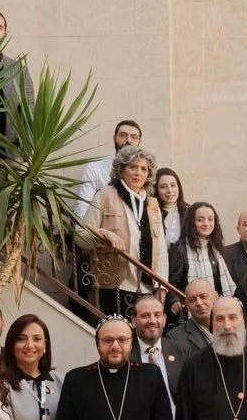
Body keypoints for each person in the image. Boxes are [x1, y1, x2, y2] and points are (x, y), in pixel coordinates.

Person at [82, 144, 171, 318]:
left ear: (148, 175)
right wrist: (105, 234)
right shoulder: (105, 195)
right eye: (133, 167)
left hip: (146, 287)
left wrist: (162, 287)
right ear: (121, 170)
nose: (138, 173)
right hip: (114, 283)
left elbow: (160, 250)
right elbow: (81, 234)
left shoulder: (152, 204)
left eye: (143, 169)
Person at [72, 119, 144, 225]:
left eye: (134, 137)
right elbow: (83, 206)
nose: (128, 140)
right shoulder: (95, 168)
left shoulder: (144, 171)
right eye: (123, 135)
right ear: (114, 138)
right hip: (103, 233)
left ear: (139, 142)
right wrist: (87, 234)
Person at [130, 293, 183, 414]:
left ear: (164, 319)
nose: (152, 320)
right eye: (145, 316)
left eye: (157, 315)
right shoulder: (125, 354)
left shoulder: (180, 351)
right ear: (134, 321)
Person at [172, 201, 237, 297]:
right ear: (191, 222)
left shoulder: (216, 247)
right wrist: (174, 301)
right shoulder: (180, 249)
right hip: (193, 305)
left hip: (219, 304)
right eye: (200, 220)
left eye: (210, 219)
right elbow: (173, 284)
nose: (206, 223)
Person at [168, 281, 217, 362]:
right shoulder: (175, 338)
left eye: (203, 296)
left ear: (215, 296)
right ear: (187, 305)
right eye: (192, 300)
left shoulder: (234, 325)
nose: (199, 303)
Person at [153, 168, 189, 251]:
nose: (169, 190)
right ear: (156, 189)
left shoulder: (189, 212)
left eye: (173, 185)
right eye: (163, 187)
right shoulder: (151, 213)